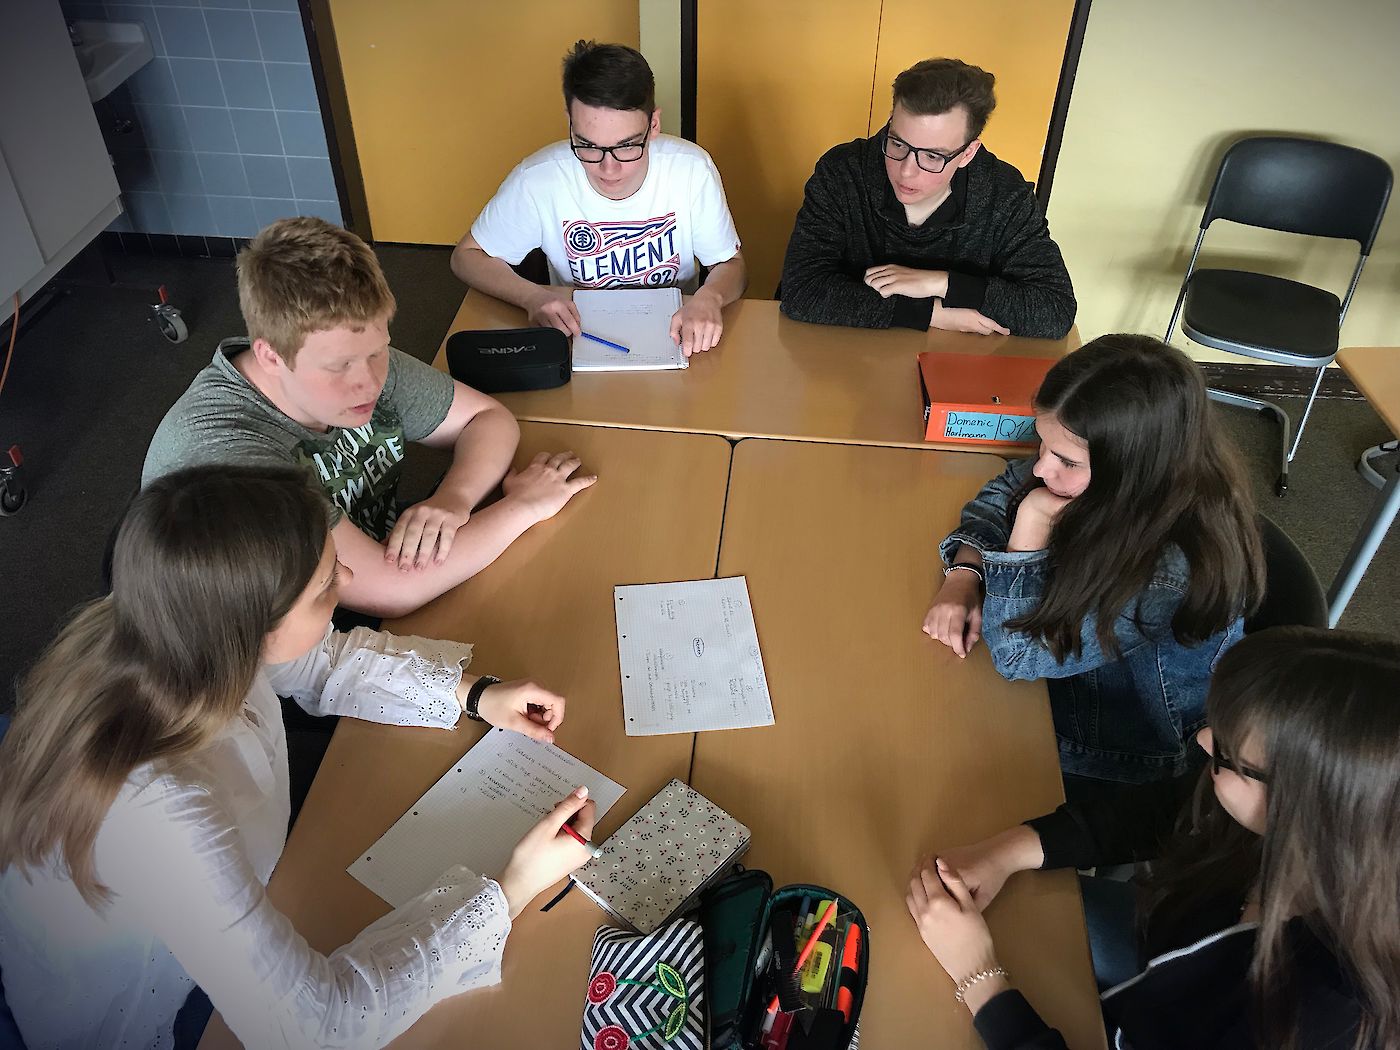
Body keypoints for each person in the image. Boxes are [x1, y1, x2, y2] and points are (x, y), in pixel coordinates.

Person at [0, 465, 599, 1049]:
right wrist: (511, 889)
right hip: (159, 1003)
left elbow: (319, 660)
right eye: (326, 586)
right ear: (255, 631)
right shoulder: (156, 811)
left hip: (231, 902)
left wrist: (473, 694)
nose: (346, 577)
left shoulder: (183, 626)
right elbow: (319, 1028)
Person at [905, 626, 1400, 1050]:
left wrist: (980, 979)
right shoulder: (1343, 829)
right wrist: (1007, 851)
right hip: (1168, 949)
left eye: (1226, 755)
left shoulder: (1316, 1016)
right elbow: (1162, 811)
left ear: (1303, 808)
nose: (1203, 741)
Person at [143, 217, 596, 619]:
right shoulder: (226, 456)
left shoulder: (348, 349)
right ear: (270, 356)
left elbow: (488, 418)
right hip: (285, 648)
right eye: (340, 366)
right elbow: (389, 592)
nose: (370, 384)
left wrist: (455, 498)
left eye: (379, 351)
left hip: (373, 571)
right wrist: (523, 506)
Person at [922, 335, 1264, 785]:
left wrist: (1033, 517)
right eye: (1042, 444)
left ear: (1132, 468)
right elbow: (1003, 490)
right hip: (1059, 678)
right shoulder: (1118, 475)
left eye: (1065, 461)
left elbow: (1017, 657)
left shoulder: (1167, 576)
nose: (1041, 469)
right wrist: (966, 572)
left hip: (1115, 749)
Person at [451, 40, 746, 357]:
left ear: (654, 125)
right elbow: (466, 256)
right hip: (581, 334)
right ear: (570, 123)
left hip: (676, 334)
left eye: (627, 146)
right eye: (588, 146)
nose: (609, 168)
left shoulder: (691, 170)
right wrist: (531, 296)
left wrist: (710, 297)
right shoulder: (539, 178)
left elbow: (731, 264)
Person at [780, 57, 1075, 339]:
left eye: (933, 156)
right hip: (844, 354)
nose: (906, 172)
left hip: (957, 360)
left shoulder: (1004, 193)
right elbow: (801, 290)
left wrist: (940, 283)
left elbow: (1055, 309)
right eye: (897, 143)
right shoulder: (842, 171)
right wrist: (929, 313)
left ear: (967, 153)